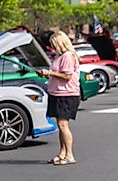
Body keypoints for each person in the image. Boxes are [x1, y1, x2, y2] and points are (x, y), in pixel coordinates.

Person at [38, 31, 81, 166]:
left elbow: (67, 76)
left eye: (54, 44)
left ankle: (69, 155)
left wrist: (49, 72)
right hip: (57, 93)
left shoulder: (68, 56)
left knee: (63, 125)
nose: (52, 46)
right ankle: (62, 153)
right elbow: (58, 74)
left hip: (67, 95)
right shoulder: (59, 56)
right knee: (61, 125)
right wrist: (48, 74)